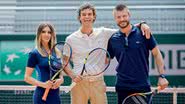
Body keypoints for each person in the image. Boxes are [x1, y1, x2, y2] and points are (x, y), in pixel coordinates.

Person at [63, 3, 153, 104]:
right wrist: (73, 75)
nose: (87, 17)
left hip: (98, 83)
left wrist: (142, 24)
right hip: (78, 84)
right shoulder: (70, 39)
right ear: (79, 17)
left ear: (94, 17)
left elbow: (125, 27)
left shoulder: (103, 33)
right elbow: (64, 62)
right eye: (84, 14)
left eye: (89, 14)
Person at [107, 4, 169, 104]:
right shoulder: (113, 39)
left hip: (142, 86)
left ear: (129, 15)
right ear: (115, 19)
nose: (122, 19)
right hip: (122, 86)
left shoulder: (144, 33)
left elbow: (157, 54)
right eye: (118, 17)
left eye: (124, 16)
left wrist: (162, 76)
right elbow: (106, 60)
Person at [24, 23, 64, 104]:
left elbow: (60, 75)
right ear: (39, 34)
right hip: (41, 96)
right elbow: (27, 78)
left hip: (55, 96)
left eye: (49, 32)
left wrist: (60, 80)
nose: (47, 34)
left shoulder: (57, 52)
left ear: (52, 34)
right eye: (43, 32)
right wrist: (43, 84)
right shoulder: (34, 53)